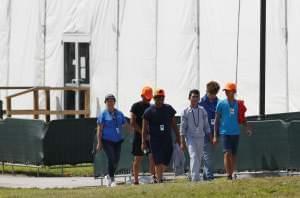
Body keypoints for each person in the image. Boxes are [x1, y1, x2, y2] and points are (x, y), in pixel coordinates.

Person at [213, 82, 252, 180]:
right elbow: (216, 120)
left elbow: (242, 118)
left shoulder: (239, 104)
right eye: (225, 91)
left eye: (228, 91)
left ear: (234, 91)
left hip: (236, 133)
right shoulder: (221, 103)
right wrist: (215, 135)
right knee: (227, 153)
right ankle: (228, 175)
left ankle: (233, 172)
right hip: (224, 133)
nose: (226, 92)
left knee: (233, 155)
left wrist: (247, 127)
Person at [142, 89, 180, 183]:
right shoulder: (149, 111)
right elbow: (144, 127)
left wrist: (178, 136)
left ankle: (158, 175)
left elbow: (174, 124)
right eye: (157, 98)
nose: (160, 100)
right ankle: (159, 180)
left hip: (167, 138)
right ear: (154, 99)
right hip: (155, 140)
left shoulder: (168, 109)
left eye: (162, 98)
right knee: (158, 160)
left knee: (166, 160)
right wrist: (143, 142)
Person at [96, 94, 127, 187]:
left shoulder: (119, 113)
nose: (110, 102)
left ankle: (108, 175)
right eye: (108, 101)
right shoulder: (103, 114)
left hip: (118, 141)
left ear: (114, 102)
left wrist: (132, 133)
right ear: (105, 103)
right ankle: (112, 178)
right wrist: (99, 142)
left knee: (116, 160)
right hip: (107, 140)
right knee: (111, 158)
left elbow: (125, 124)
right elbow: (99, 129)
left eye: (112, 101)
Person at [180, 89, 211, 182]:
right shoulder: (185, 111)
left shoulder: (202, 110)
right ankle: (195, 179)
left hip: (201, 137)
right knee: (193, 156)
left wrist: (210, 136)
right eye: (193, 97)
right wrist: (182, 142)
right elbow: (182, 127)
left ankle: (194, 175)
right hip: (190, 138)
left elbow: (206, 125)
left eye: (197, 97)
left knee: (198, 157)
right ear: (189, 98)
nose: (195, 99)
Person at [130, 86, 155, 185]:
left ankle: (153, 178)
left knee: (152, 157)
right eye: (146, 97)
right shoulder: (135, 106)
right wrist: (143, 133)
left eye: (149, 98)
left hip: (150, 136)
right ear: (142, 96)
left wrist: (149, 134)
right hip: (138, 136)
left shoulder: (152, 107)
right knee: (138, 158)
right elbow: (132, 122)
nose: (148, 99)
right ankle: (136, 180)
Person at [199, 81, 220, 180]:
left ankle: (205, 176)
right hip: (203, 134)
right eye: (211, 93)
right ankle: (209, 176)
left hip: (215, 133)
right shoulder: (201, 103)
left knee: (210, 155)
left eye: (214, 94)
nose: (212, 96)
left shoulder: (218, 102)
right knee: (207, 155)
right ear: (207, 91)